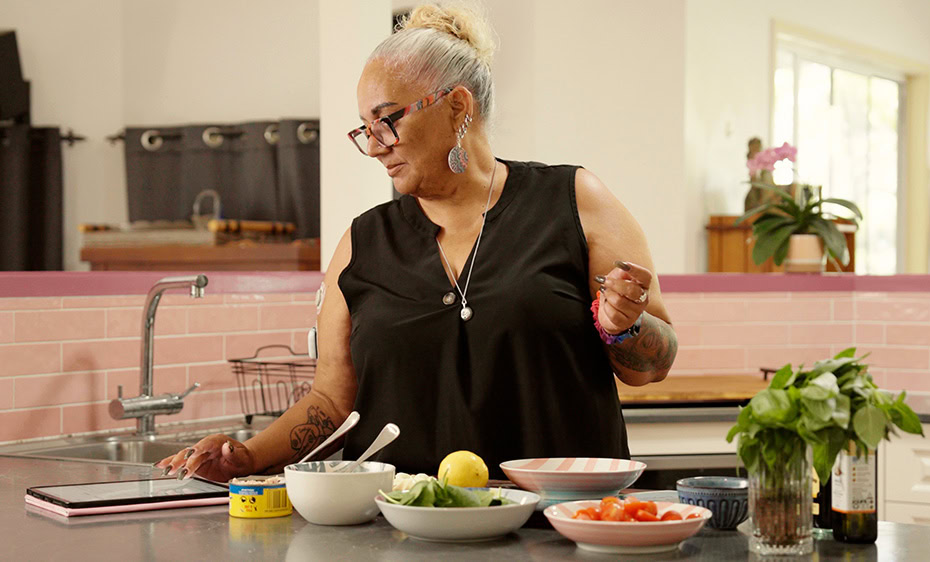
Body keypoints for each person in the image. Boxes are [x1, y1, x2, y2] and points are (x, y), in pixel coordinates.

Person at [156, 2, 678, 481]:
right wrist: (247, 456)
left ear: (457, 106)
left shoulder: (573, 199)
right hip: (406, 530)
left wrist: (623, 327)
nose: (376, 146)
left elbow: (653, 367)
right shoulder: (363, 242)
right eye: (364, 128)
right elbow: (331, 402)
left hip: (560, 524)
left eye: (387, 119)